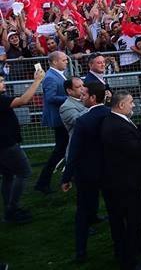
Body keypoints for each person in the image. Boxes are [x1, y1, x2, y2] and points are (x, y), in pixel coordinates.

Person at [100, 90, 141, 270]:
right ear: (121, 105)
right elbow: (136, 148)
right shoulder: (116, 126)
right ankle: (129, 260)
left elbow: (131, 136)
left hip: (125, 180)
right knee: (133, 219)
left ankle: (138, 244)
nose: (134, 105)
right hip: (125, 182)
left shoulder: (116, 120)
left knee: (134, 217)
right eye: (131, 102)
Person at [61, 81, 109, 263]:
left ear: (93, 98)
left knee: (82, 213)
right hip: (109, 169)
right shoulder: (111, 114)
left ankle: (81, 252)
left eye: (84, 94)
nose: (81, 96)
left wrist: (66, 177)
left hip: (87, 172)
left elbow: (74, 151)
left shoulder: (84, 121)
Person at [0, 66, 44, 224]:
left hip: (4, 144)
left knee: (8, 175)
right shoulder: (1, 99)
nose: (3, 83)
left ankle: (9, 209)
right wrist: (37, 81)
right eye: (0, 81)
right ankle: (12, 209)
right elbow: (24, 100)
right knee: (24, 172)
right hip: (7, 145)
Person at [35, 50, 69, 195]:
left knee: (63, 149)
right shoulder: (50, 77)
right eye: (63, 60)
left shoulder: (56, 75)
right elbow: (50, 98)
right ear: (55, 62)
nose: (66, 61)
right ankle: (43, 182)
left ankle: (65, 176)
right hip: (59, 119)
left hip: (61, 117)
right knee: (60, 150)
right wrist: (71, 99)